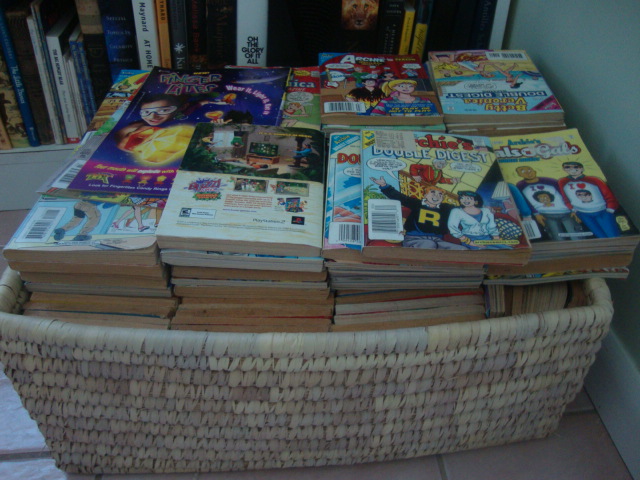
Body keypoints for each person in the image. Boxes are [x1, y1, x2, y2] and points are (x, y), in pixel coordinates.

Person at [370, 176, 466, 250]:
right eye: (433, 193)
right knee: (429, 245)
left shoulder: (446, 208)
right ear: (425, 195)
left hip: (437, 240)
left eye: (440, 194)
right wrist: (384, 186)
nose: (436, 196)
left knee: (462, 250)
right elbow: (400, 197)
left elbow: (464, 210)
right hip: (414, 238)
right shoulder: (417, 203)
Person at [514, 165, 581, 241]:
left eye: (529, 170)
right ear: (519, 175)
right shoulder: (520, 185)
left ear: (534, 171)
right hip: (545, 214)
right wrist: (536, 213)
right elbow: (525, 201)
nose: (528, 173)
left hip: (566, 212)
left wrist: (573, 209)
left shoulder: (550, 181)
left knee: (576, 235)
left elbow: (564, 194)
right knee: (557, 237)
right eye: (523, 171)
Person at [558, 161, 620, 238]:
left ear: (582, 168)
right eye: (568, 167)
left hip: (602, 211)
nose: (572, 169)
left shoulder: (593, 179)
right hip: (583, 213)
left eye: (575, 167)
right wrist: (572, 208)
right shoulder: (563, 181)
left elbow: (607, 193)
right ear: (564, 169)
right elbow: (564, 196)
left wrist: (610, 208)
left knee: (612, 234)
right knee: (600, 235)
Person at [447, 191, 511, 249]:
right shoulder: (456, 211)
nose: (465, 200)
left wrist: (497, 240)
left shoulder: (486, 211)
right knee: (489, 252)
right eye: (462, 198)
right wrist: (470, 242)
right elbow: (452, 227)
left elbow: (491, 226)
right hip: (469, 238)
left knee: (507, 249)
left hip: (487, 238)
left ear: (475, 201)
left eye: (468, 198)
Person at [369, 79, 438, 116]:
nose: (406, 88)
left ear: (414, 87)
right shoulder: (387, 101)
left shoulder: (424, 100)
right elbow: (375, 115)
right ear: (394, 87)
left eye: (410, 86)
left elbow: (433, 116)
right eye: (401, 86)